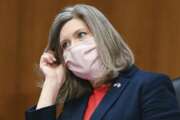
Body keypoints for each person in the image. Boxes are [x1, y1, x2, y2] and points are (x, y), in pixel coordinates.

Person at [25, 4, 180, 120]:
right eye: (65, 44)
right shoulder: (76, 101)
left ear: (103, 36)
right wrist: (51, 83)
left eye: (81, 35)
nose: (73, 48)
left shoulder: (148, 85)